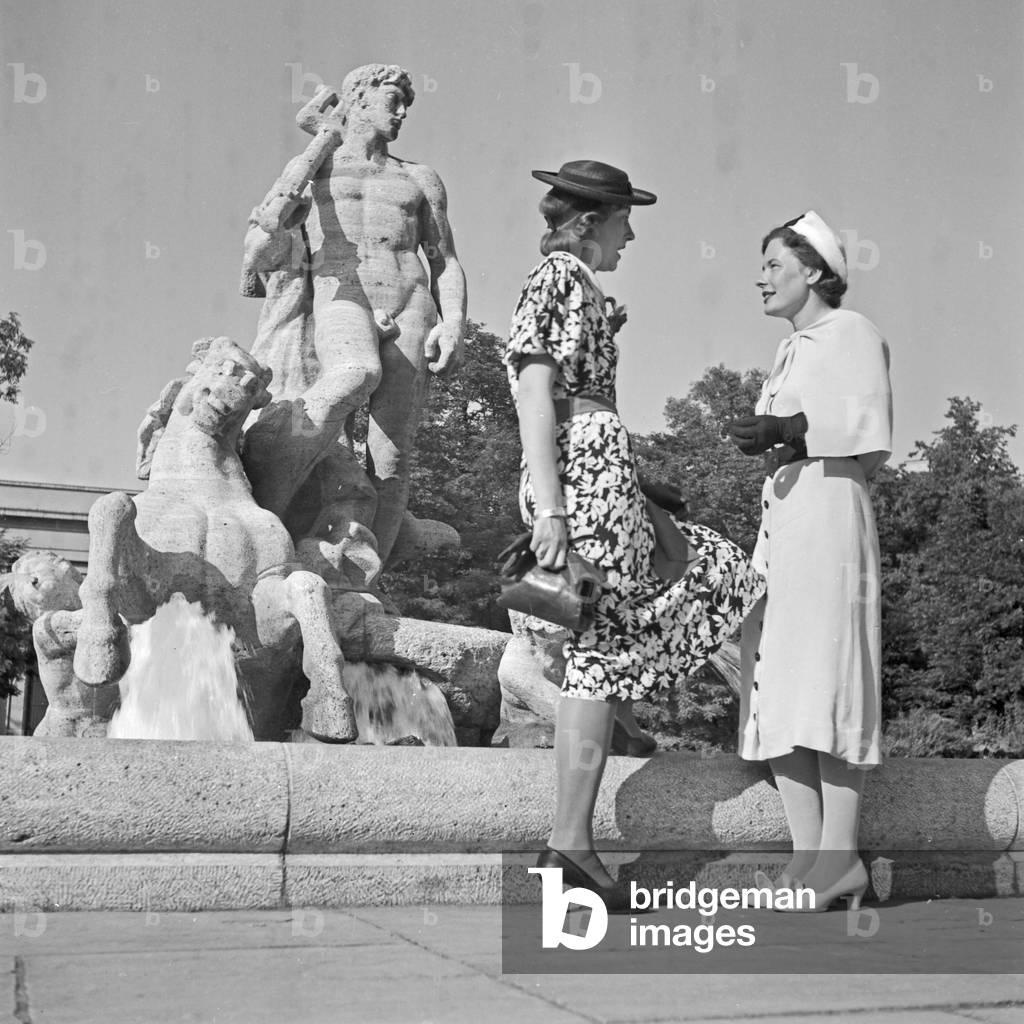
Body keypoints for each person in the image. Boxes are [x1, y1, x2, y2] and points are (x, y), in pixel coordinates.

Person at [505, 160, 766, 906]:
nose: (632, 232)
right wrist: (553, 509)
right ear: (591, 222)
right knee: (612, 640)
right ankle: (570, 843)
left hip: (601, 479)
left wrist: (634, 484)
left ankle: (573, 845)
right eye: (624, 218)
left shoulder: (578, 285)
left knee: (714, 581)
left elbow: (576, 401)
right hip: (583, 484)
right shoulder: (557, 277)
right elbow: (533, 390)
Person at [727, 210, 893, 912]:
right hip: (787, 515)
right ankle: (809, 858)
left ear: (815, 272)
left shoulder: (851, 332)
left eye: (773, 265)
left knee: (829, 673)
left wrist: (791, 429)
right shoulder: (790, 349)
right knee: (774, 675)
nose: (760, 277)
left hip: (829, 509)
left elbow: (870, 430)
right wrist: (770, 437)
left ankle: (841, 858)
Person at [241, 63, 467, 568]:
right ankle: (269, 498)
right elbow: (269, 222)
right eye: (393, 101)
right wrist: (324, 136)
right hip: (340, 290)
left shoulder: (419, 178)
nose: (403, 112)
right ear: (358, 101)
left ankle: (364, 583)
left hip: (412, 302)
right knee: (353, 374)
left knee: (393, 455)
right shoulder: (317, 166)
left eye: (407, 104)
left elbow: (445, 260)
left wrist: (454, 322)